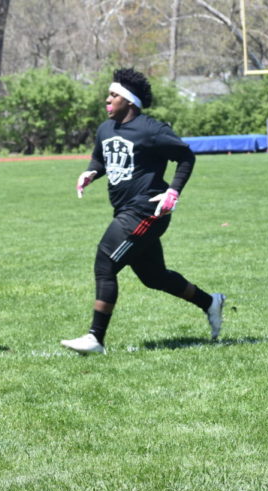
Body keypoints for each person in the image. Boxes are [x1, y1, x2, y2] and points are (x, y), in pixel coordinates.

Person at [61, 68, 225, 355]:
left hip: (147, 211)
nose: (107, 100)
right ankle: (210, 302)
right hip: (124, 210)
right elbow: (101, 158)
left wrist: (173, 191)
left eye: (113, 95)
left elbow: (186, 156)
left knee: (105, 263)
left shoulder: (152, 130)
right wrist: (90, 173)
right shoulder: (105, 128)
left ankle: (95, 338)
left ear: (129, 101)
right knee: (154, 277)